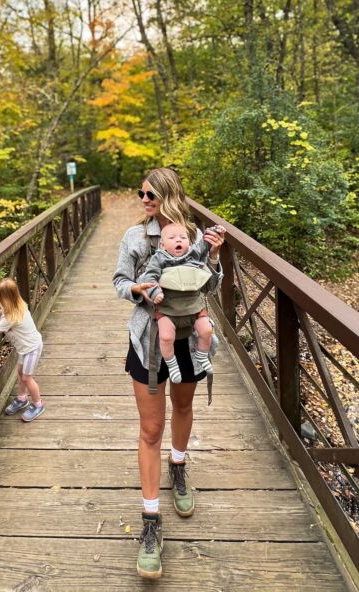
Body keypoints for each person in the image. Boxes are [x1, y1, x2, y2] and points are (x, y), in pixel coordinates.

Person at [112, 167, 225, 580]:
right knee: (149, 429)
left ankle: (178, 467)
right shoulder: (134, 237)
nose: (143, 200)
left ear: (168, 194)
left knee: (183, 406)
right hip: (148, 339)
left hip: (188, 338)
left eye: (150, 194)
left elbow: (208, 289)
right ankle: (150, 522)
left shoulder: (193, 236)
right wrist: (137, 289)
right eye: (140, 193)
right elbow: (119, 281)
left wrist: (213, 255)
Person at [139, 221, 216, 384]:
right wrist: (156, 292)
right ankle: (172, 364)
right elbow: (150, 277)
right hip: (168, 308)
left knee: (207, 330)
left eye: (183, 238)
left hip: (193, 306)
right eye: (172, 238)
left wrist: (214, 231)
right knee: (166, 337)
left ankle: (202, 355)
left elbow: (204, 245)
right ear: (162, 244)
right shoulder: (159, 258)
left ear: (189, 241)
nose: (178, 241)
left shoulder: (193, 254)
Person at [0, 278, 45, 422]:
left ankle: (38, 404)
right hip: (25, 348)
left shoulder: (10, 317)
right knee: (20, 373)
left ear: (5, 299)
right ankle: (22, 398)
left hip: (32, 348)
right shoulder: (17, 304)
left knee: (27, 377)